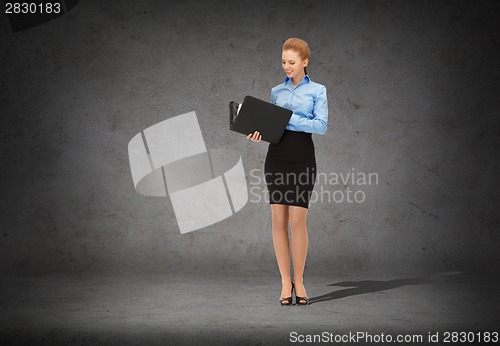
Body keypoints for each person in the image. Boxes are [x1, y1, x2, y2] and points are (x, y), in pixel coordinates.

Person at [247, 37, 328, 306]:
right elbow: (273, 128)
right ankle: (285, 281)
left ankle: (300, 281)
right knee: (278, 220)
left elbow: (321, 126)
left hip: (302, 156)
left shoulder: (318, 90)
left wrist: (289, 117)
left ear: (305, 62)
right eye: (283, 62)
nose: (286, 66)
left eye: (292, 62)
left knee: (297, 221)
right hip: (277, 155)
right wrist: (260, 132)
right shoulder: (276, 92)